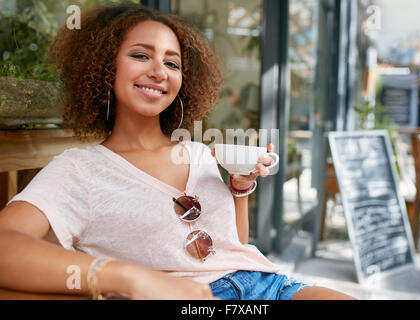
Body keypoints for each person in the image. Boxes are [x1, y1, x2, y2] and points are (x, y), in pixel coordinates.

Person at [0, 2, 354, 300]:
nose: (159, 71)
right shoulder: (79, 170)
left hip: (269, 285)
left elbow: (230, 247)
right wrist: (126, 277)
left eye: (172, 63)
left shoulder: (197, 151)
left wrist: (240, 188)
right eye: (141, 55)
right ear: (104, 68)